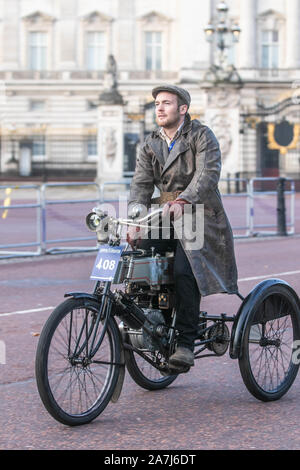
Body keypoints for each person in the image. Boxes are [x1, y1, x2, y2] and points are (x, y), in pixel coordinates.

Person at [127, 84, 238, 370]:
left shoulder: (202, 136)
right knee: (139, 264)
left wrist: (184, 199)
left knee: (183, 271)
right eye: (156, 104)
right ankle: (156, 326)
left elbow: (207, 174)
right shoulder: (151, 143)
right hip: (163, 217)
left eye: (166, 103)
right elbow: (140, 185)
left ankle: (186, 344)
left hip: (200, 215)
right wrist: (135, 220)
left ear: (183, 109)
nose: (159, 108)